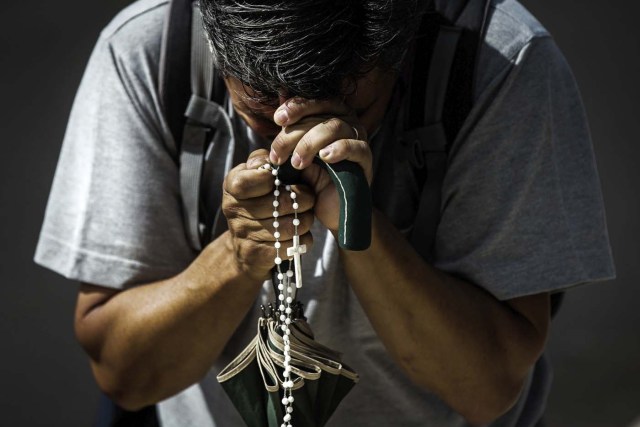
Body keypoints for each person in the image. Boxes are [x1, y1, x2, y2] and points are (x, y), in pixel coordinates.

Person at [35, 0, 615, 425]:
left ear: (400, 49)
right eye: (261, 112)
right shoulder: (148, 48)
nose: (295, 138)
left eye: (354, 106)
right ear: (216, 45)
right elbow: (123, 375)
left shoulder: (502, 61)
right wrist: (237, 256)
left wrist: (360, 228)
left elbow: (488, 390)